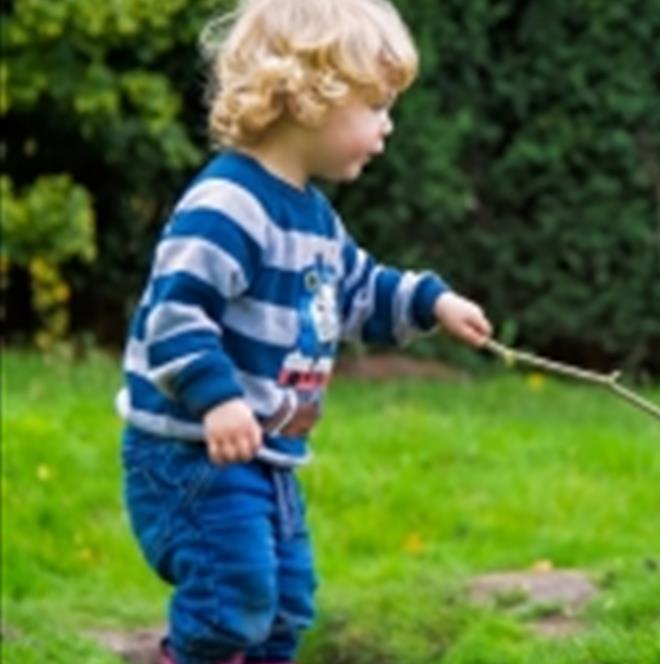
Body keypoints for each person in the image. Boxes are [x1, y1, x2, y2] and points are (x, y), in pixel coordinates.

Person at [116, 1, 492, 661]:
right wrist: (219, 397)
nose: (388, 126)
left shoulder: (313, 217)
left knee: (287, 607)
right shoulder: (228, 204)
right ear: (307, 98)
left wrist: (431, 302)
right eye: (375, 106)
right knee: (231, 601)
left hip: (265, 458)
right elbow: (173, 313)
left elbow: (354, 290)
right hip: (193, 456)